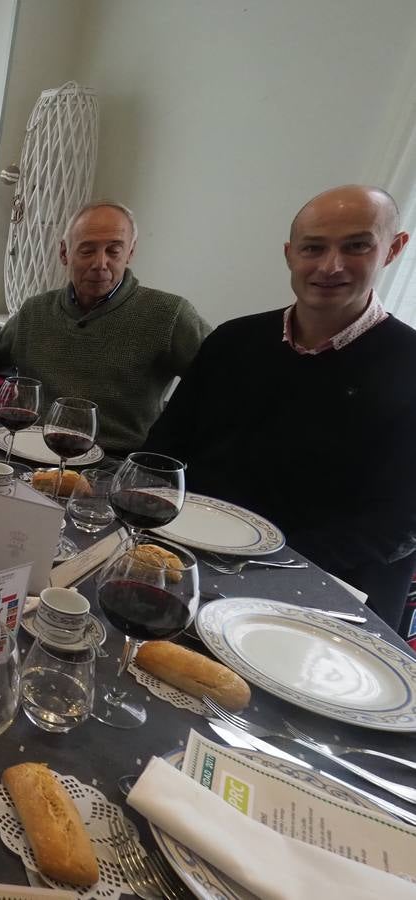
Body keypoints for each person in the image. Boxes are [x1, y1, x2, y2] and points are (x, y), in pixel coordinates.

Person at [146, 184, 416, 631]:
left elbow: (398, 525)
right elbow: (164, 448)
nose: (331, 266)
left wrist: (261, 561)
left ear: (393, 249)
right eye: (314, 248)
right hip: (196, 561)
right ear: (291, 254)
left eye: (356, 246)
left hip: (325, 592)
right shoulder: (233, 341)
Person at [0, 201, 210, 454]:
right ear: (64, 253)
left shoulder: (169, 315)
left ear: (130, 252)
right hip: (32, 455)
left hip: (115, 468)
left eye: (114, 251)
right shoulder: (35, 311)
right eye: (87, 251)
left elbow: (223, 381)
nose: (100, 263)